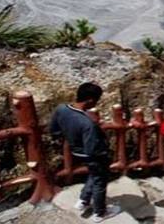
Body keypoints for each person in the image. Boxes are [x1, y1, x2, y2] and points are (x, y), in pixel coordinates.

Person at [50, 83, 121, 223]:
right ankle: (100, 213)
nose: (96, 103)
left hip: (75, 150)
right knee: (100, 182)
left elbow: (54, 130)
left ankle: (83, 200)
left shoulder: (61, 109)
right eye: (96, 100)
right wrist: (105, 154)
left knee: (93, 175)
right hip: (92, 154)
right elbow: (92, 149)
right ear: (90, 100)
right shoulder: (87, 123)